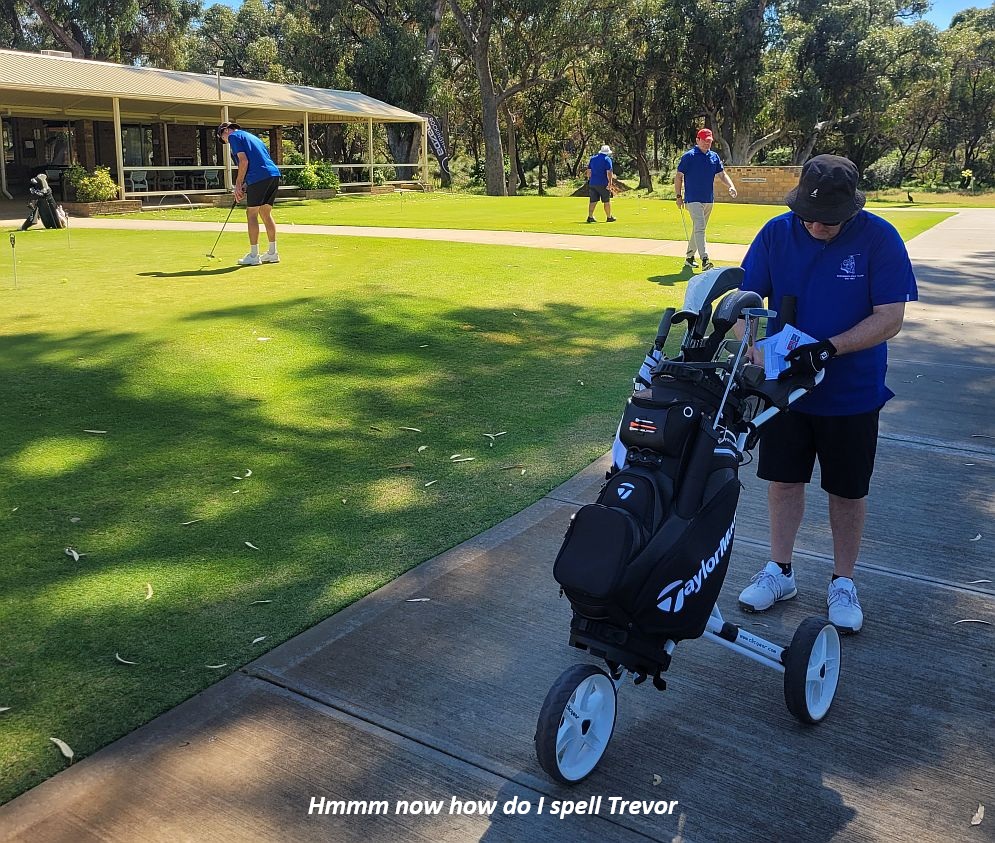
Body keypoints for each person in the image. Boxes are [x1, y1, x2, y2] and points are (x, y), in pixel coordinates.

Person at [735, 154, 918, 634]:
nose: (817, 226)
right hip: (786, 390)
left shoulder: (879, 238)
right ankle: (780, 571)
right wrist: (752, 346)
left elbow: (890, 318)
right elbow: (746, 304)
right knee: (783, 482)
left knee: (847, 491)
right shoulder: (777, 233)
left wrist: (828, 348)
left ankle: (843, 581)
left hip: (852, 392)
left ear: (851, 209)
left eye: (829, 220)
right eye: (809, 216)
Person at [216, 122, 282, 265]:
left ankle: (254, 255)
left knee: (251, 213)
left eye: (223, 138)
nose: (226, 142)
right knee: (265, 213)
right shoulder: (253, 137)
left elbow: (244, 161)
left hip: (259, 176)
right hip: (273, 175)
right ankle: (272, 253)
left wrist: (238, 184)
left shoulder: (234, 136)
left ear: (226, 130)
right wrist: (246, 184)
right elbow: (258, 161)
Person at [675, 128, 737, 271]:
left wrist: (731, 186)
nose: (707, 143)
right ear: (697, 140)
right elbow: (678, 176)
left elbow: (722, 174)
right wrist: (678, 196)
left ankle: (689, 257)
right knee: (700, 227)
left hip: (708, 199)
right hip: (693, 199)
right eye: (704, 141)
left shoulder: (714, 156)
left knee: (698, 229)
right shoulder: (689, 156)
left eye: (709, 141)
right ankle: (705, 259)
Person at [585, 144, 618, 223]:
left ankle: (590, 216)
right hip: (603, 183)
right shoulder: (607, 159)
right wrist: (610, 183)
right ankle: (609, 217)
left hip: (593, 183)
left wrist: (590, 180)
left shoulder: (593, 159)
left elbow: (588, 172)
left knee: (593, 201)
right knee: (606, 201)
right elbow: (609, 172)